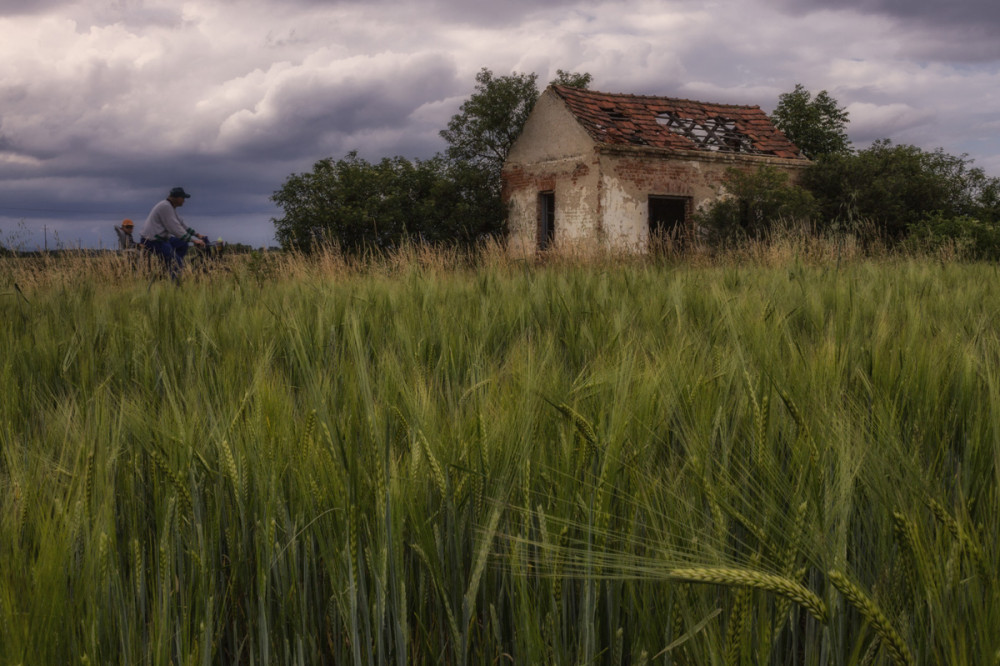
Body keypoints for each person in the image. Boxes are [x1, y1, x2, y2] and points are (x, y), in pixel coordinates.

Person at [138, 187, 207, 277]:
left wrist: (197, 235)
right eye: (183, 198)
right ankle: (174, 282)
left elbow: (181, 223)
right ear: (177, 198)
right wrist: (193, 241)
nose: (184, 201)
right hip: (153, 241)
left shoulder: (170, 207)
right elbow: (175, 228)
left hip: (162, 239)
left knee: (183, 244)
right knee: (176, 262)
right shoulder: (165, 207)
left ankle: (168, 267)